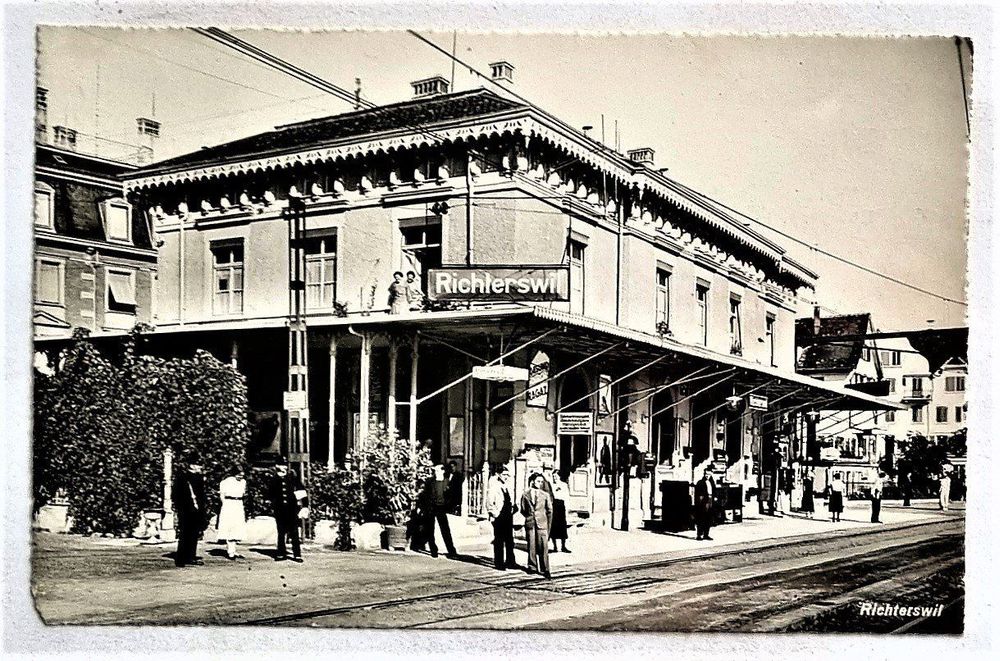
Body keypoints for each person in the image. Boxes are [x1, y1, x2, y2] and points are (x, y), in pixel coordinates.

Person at [173, 460, 208, 567]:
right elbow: (176, 494)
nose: (200, 467)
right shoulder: (182, 478)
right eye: (198, 465)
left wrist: (202, 509)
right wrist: (181, 508)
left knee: (194, 534)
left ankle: (191, 556)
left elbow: (202, 495)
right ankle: (181, 559)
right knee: (184, 534)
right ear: (192, 465)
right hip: (185, 510)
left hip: (197, 510)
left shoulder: (199, 478)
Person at [269, 464, 307, 562]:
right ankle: (281, 553)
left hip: (292, 509)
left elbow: (302, 492)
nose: (283, 469)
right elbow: (270, 494)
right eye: (281, 467)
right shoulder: (274, 480)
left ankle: (297, 554)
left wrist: (305, 506)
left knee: (294, 532)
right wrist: (273, 505)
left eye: (285, 467)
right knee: (281, 532)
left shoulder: (292, 478)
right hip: (280, 510)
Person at [520, 473, 553, 578]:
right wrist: (529, 517)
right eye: (538, 481)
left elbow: (549, 511)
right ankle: (532, 566)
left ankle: (545, 569)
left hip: (542, 524)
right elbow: (523, 509)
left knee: (543, 547)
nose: (540, 483)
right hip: (530, 523)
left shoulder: (545, 495)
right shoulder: (525, 494)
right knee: (531, 545)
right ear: (533, 481)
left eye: (541, 482)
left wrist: (548, 525)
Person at [422, 465, 457, 558]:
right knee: (430, 529)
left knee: (445, 530)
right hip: (431, 508)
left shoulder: (447, 482)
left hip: (441, 508)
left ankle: (451, 551)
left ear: (442, 471)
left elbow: (451, 496)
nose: (436, 472)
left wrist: (448, 506)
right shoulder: (430, 482)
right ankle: (433, 550)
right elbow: (426, 495)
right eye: (435, 471)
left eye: (437, 470)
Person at [486, 466, 517, 570]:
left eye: (507, 475)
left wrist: (513, 508)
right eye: (504, 475)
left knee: (509, 540)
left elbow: (511, 500)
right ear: (498, 475)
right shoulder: (494, 487)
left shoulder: (508, 486)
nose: (506, 477)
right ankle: (499, 563)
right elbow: (490, 503)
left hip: (508, 516)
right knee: (499, 540)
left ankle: (510, 562)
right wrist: (495, 514)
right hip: (500, 517)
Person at [217, 468, 247, 560]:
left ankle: (233, 549)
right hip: (229, 504)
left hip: (238, 504)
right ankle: (230, 551)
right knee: (229, 527)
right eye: (238, 475)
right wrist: (226, 505)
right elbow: (222, 495)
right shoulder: (226, 482)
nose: (240, 477)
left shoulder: (243, 482)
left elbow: (243, 493)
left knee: (237, 526)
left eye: (242, 475)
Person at [549, 471, 570, 553]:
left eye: (556, 476)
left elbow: (566, 497)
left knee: (562, 526)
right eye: (553, 476)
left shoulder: (564, 485)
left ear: (559, 477)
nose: (554, 478)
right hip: (554, 506)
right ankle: (555, 547)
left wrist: (567, 509)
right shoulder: (551, 485)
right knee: (553, 527)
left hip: (561, 506)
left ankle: (563, 546)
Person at [694, 469, 717, 541]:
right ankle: (699, 535)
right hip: (703, 502)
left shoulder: (712, 482)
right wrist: (701, 502)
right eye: (706, 474)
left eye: (709, 474)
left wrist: (714, 497)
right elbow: (698, 494)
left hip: (710, 500)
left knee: (709, 518)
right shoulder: (700, 482)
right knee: (701, 518)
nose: (707, 476)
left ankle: (706, 534)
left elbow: (714, 491)